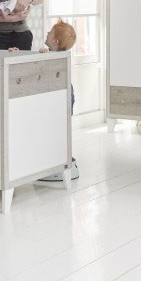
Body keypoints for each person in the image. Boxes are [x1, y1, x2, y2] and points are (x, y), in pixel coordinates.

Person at [39, 19, 79, 181]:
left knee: (55, 132)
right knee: (58, 132)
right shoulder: (59, 56)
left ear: (55, 41)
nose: (47, 33)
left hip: (61, 99)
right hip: (64, 97)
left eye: (50, 32)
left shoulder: (54, 58)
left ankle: (56, 163)